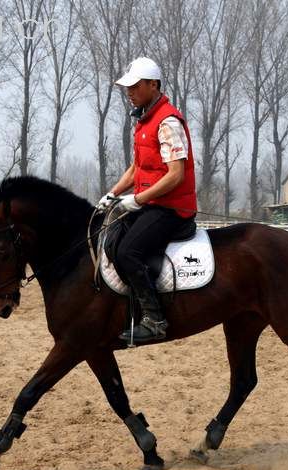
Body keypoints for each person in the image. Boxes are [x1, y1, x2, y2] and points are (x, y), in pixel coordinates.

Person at [97, 56, 198, 344]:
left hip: (172, 209)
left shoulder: (167, 122)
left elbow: (176, 175)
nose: (129, 92)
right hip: (152, 204)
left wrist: (137, 200)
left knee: (128, 251)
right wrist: (114, 193)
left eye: (135, 86)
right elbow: (137, 168)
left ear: (153, 85)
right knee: (113, 239)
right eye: (127, 88)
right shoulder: (144, 121)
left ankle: (155, 320)